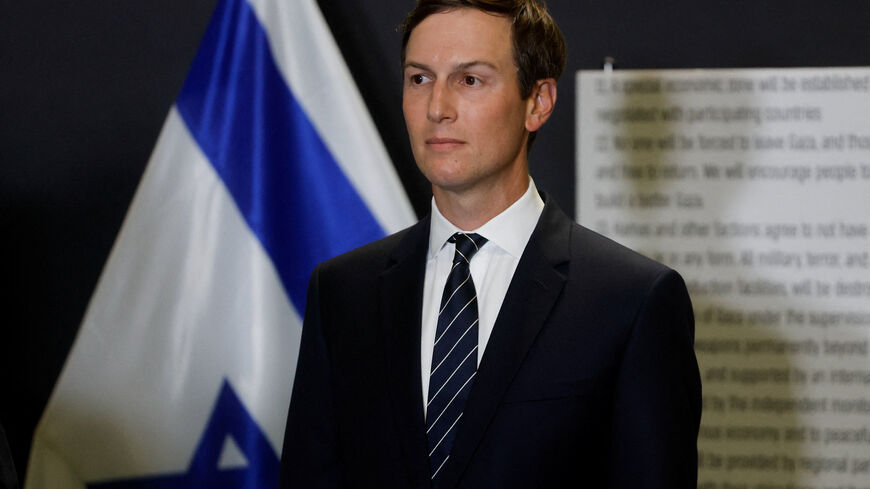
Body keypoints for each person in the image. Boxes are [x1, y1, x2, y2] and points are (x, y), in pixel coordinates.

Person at [279, 1, 701, 488]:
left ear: (538, 102)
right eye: (419, 79)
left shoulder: (632, 302)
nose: (437, 107)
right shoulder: (342, 292)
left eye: (469, 80)